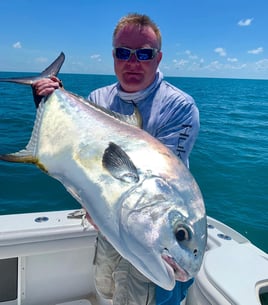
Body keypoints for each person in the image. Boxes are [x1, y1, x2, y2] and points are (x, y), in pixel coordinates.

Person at [33, 13, 199, 305]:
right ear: (113, 56)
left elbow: (164, 181)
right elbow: (80, 154)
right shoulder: (98, 98)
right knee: (105, 291)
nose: (132, 62)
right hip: (108, 224)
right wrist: (48, 103)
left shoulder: (179, 107)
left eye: (144, 54)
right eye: (123, 52)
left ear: (158, 59)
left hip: (148, 234)